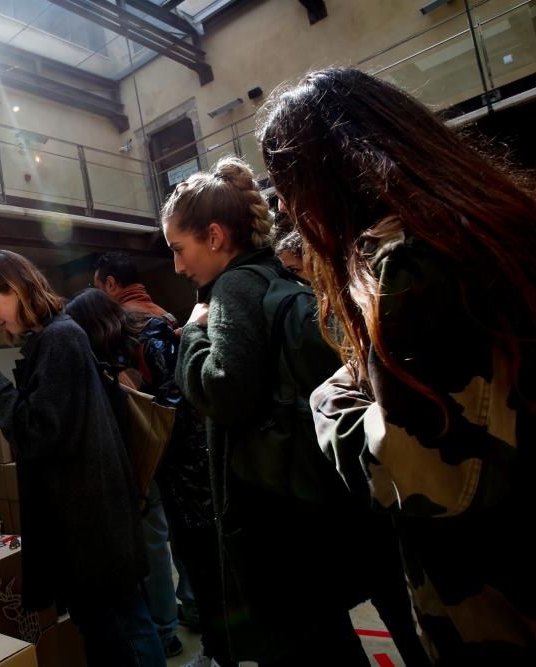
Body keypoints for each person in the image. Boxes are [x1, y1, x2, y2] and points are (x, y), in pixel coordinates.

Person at [257, 67, 536, 665]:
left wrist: (331, 401)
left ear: (321, 177)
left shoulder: (415, 268)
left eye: (284, 184)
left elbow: (419, 475)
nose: (285, 207)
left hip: (520, 616)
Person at [162, 156, 371, 666]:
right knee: (329, 637)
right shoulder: (275, 272)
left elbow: (224, 390)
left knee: (297, 644)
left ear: (214, 236)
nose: (177, 266)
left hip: (268, 514)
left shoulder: (233, 287)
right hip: (303, 497)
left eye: (178, 249)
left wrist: (192, 333)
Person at [0, 250, 165, 667]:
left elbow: (40, 431)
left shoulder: (61, 338)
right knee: (113, 629)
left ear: (16, 289)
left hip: (92, 523)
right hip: (91, 522)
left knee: (121, 633)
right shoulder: (56, 337)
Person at [67, 288, 232, 666]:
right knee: (187, 553)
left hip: (183, 469)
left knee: (189, 556)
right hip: (175, 468)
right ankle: (205, 633)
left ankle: (202, 643)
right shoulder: (131, 343)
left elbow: (179, 407)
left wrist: (139, 398)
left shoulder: (150, 340)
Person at [92, 253, 185, 658]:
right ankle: (193, 606)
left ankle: (165, 626)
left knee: (153, 539)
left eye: (99, 286)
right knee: (183, 530)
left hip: (148, 441)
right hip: (184, 440)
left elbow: (128, 387)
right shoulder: (165, 314)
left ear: (111, 284)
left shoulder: (121, 323)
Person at [93, 251, 176, 325]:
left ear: (110, 283)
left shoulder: (116, 323)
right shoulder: (166, 315)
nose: (96, 298)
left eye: (98, 288)